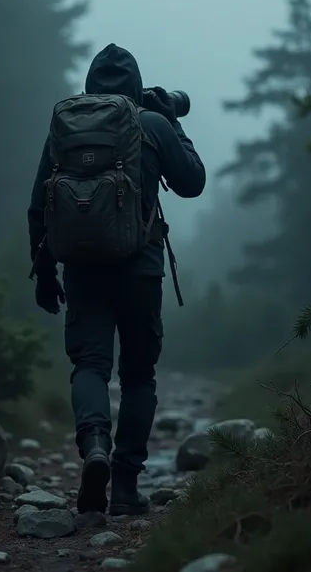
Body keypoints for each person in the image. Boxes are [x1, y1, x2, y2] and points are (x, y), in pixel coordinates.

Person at [28, 43, 206, 516]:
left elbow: (37, 205)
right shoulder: (151, 123)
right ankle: (125, 486)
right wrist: (174, 120)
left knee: (89, 365)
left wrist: (44, 273)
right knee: (138, 376)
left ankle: (94, 448)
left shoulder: (67, 128)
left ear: (89, 86)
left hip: (83, 269)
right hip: (140, 269)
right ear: (136, 86)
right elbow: (193, 182)